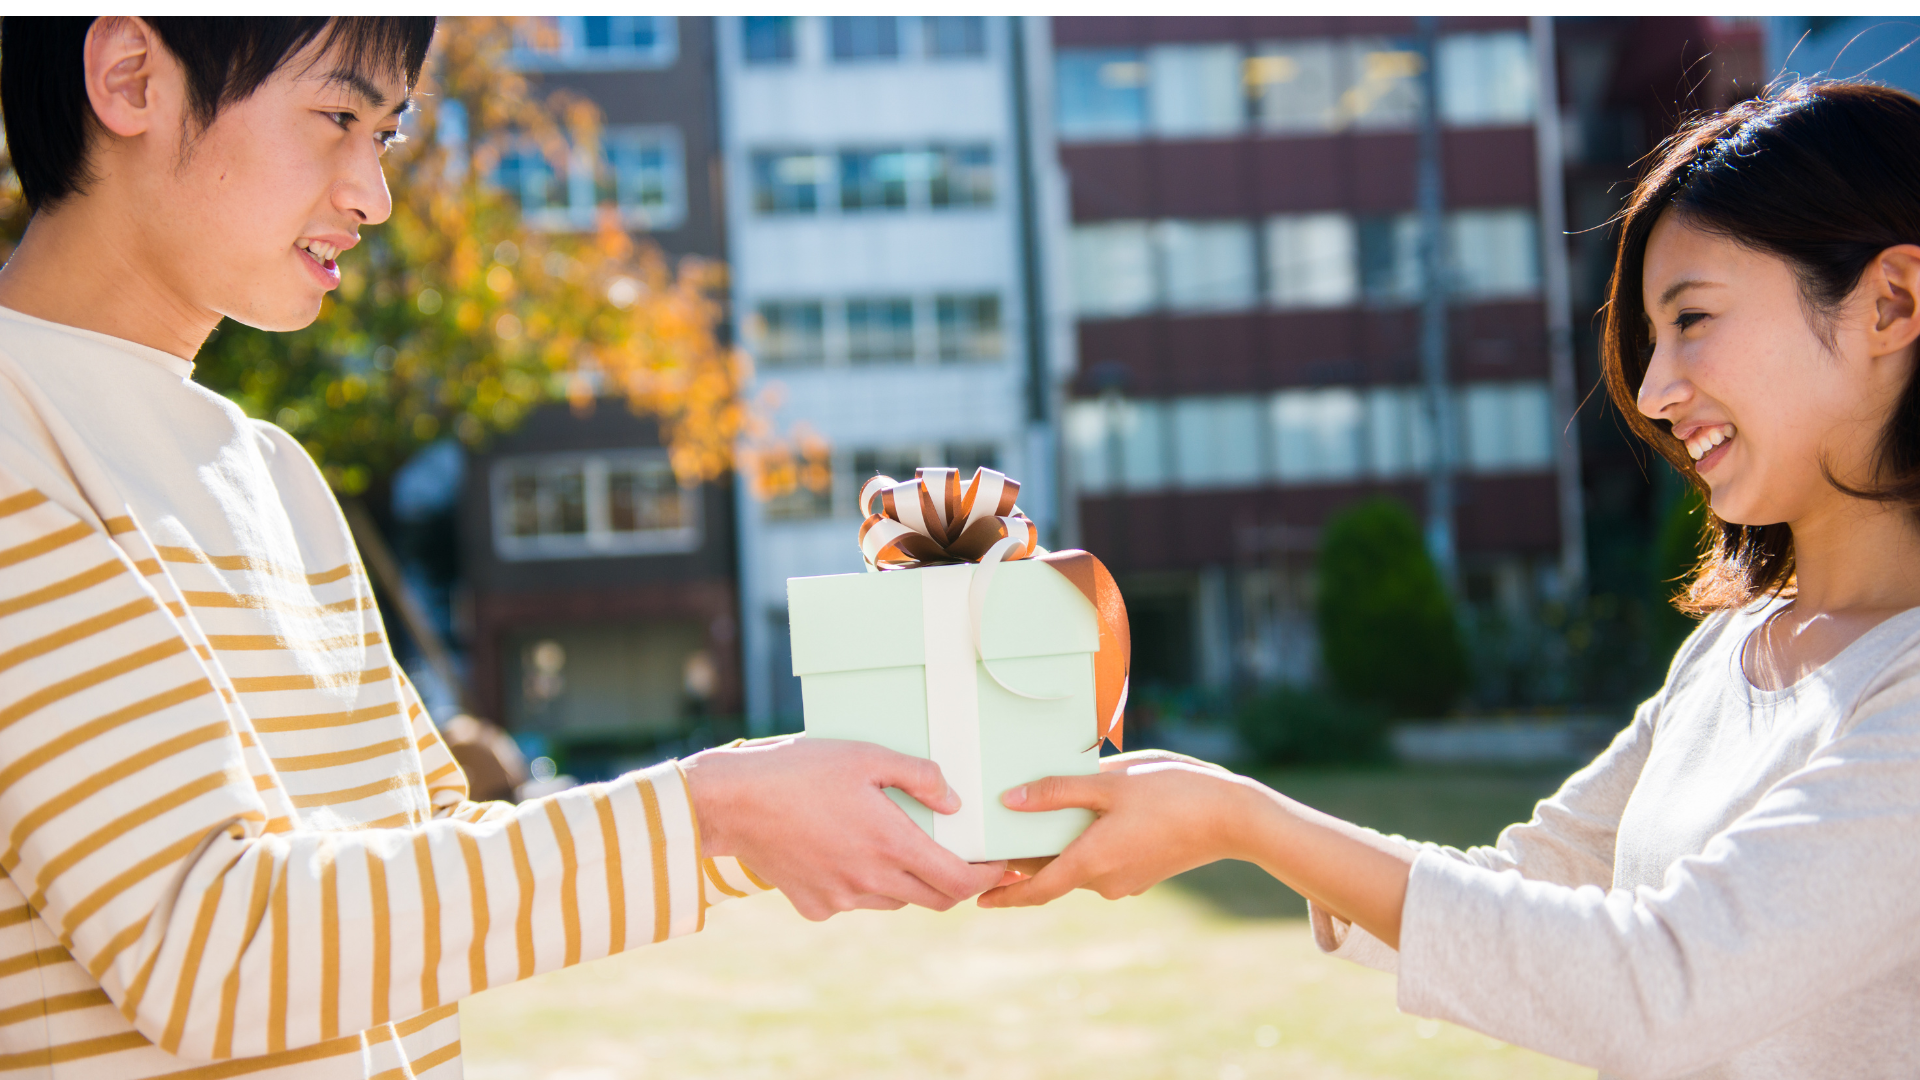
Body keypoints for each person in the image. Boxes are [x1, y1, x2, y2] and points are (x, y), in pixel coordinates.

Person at [0, 17, 1002, 1078]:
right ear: (130, 77)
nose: (373, 196)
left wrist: (767, 805)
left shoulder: (274, 475)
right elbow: (212, 951)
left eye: (384, 136)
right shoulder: (21, 440)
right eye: (337, 115)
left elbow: (428, 863)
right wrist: (716, 815)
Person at [983, 79, 1920, 1079]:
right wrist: (1226, 818)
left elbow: (1657, 984)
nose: (1653, 392)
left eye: (1692, 318)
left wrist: (1243, 820)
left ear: (1892, 304)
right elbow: (1534, 886)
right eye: (1653, 341)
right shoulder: (1729, 650)